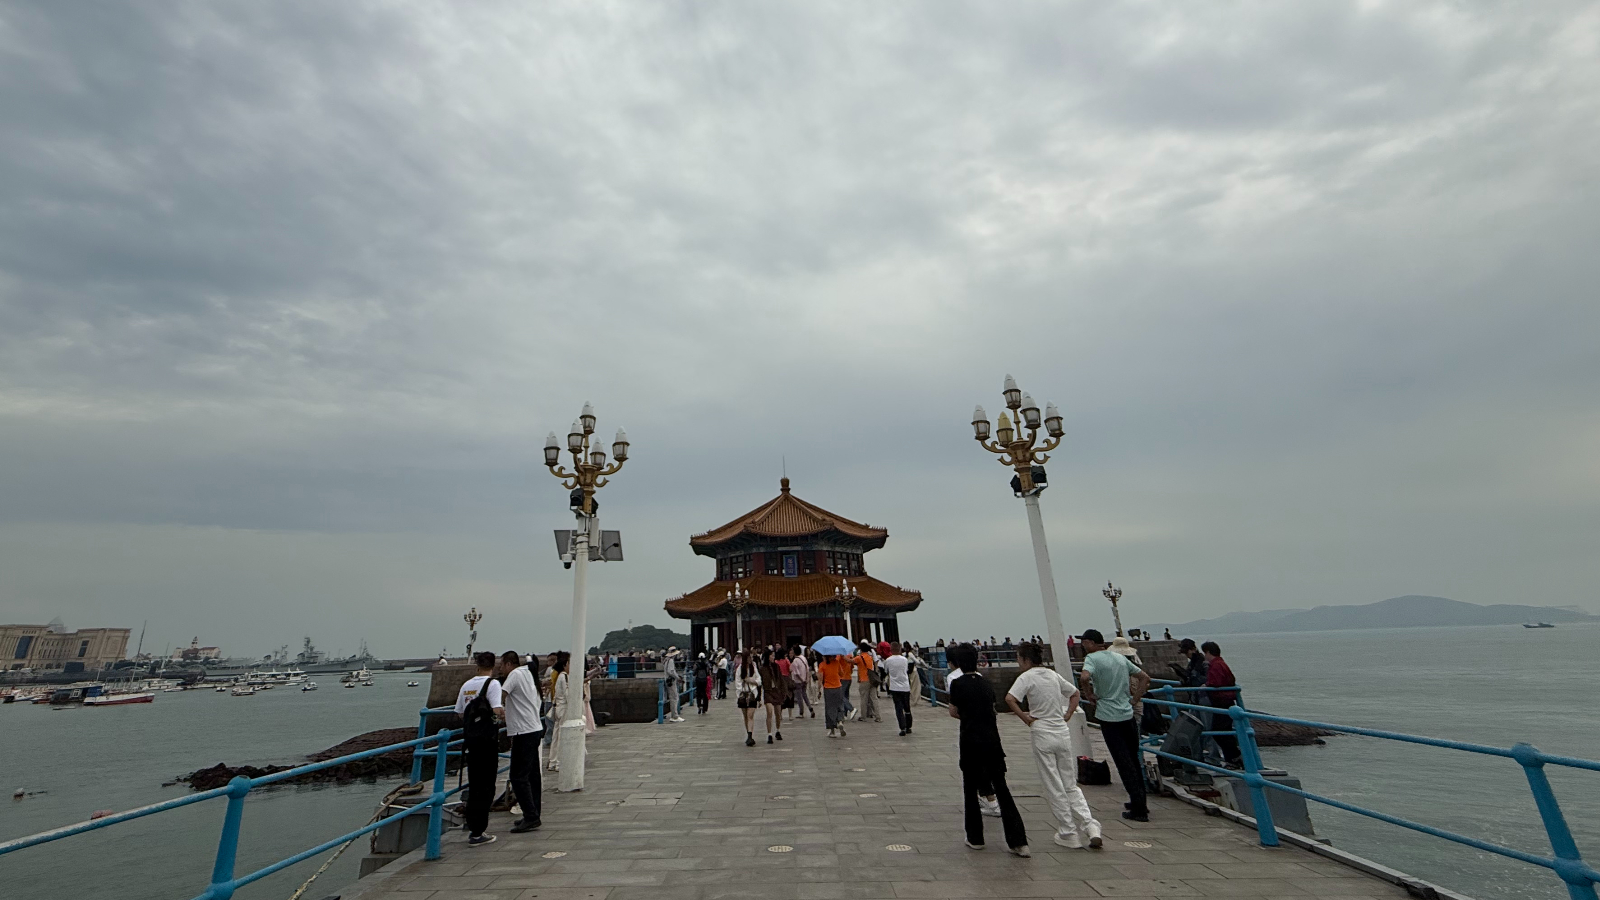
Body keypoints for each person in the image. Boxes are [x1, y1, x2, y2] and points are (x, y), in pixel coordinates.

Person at [1004, 642, 1101, 849]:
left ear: (1026, 659)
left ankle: (1068, 832)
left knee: (1053, 784)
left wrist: (1025, 718)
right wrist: (1067, 714)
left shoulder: (1026, 677)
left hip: (1042, 731)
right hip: (1061, 731)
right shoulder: (1052, 675)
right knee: (1069, 783)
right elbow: (1074, 693)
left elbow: (1010, 699)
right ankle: (1090, 824)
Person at [946, 643, 1029, 857]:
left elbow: (954, 711)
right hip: (992, 740)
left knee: (970, 789)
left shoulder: (957, 684)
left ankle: (975, 837)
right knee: (1002, 788)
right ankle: (1018, 841)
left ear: (957, 664)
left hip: (971, 741)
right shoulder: (986, 683)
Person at [1078, 630, 1151, 822]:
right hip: (1126, 713)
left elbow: (1084, 677)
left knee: (1123, 762)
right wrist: (1135, 699)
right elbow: (1144, 677)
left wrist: (1089, 694)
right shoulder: (1119, 658)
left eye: (1084, 642)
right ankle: (1140, 800)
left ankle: (1139, 809)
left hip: (1109, 716)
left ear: (1091, 643)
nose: (1083, 646)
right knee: (1133, 759)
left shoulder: (1092, 659)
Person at [454, 651, 504, 846]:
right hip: (487, 742)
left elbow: (459, 713)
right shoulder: (493, 684)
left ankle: (472, 825)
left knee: (474, 784)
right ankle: (478, 831)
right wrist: (496, 719)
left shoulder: (466, 685)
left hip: (470, 741)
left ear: (477, 666)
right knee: (487, 786)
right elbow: (497, 710)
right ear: (494, 666)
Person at [498, 651, 543, 833]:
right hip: (533, 728)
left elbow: (501, 695)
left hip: (523, 731)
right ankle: (533, 813)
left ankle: (531, 816)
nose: (500, 669)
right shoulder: (527, 673)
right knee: (533, 776)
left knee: (518, 776)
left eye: (501, 665)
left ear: (509, 663)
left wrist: (497, 709)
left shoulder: (514, 674)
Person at [1202, 641, 1243, 768]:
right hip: (1225, 701)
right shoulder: (1221, 663)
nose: (1204, 656)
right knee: (1223, 731)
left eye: (1205, 653)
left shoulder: (1216, 665)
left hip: (1222, 701)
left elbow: (1216, 682)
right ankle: (1233, 758)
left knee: (1219, 731)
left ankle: (1234, 758)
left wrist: (1207, 685)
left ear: (1208, 652)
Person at [544, 651, 570, 773]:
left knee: (556, 735)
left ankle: (552, 761)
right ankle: (559, 762)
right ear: (565, 665)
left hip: (557, 706)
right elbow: (567, 694)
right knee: (561, 736)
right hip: (563, 708)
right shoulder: (564, 676)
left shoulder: (558, 675)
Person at [759, 650, 790, 744]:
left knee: (778, 712)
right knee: (769, 712)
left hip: (776, 691)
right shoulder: (763, 668)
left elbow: (780, 679)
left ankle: (778, 730)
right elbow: (760, 683)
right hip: (768, 691)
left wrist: (784, 691)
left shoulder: (776, 667)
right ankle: (769, 734)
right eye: (772, 656)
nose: (773, 657)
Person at [883, 641, 914, 735]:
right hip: (905, 686)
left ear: (891, 650)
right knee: (907, 708)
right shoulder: (904, 659)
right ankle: (909, 726)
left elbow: (886, 671)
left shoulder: (888, 660)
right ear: (900, 649)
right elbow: (907, 670)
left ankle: (902, 727)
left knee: (898, 708)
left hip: (894, 686)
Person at [733, 649, 761, 747]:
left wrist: (750, 680)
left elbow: (759, 680)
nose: (751, 659)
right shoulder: (740, 669)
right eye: (749, 657)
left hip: (752, 693)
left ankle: (750, 735)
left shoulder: (754, 667)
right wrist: (740, 693)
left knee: (750, 716)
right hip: (743, 694)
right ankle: (748, 734)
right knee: (745, 716)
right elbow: (738, 684)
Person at [818, 652, 850, 737]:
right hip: (838, 687)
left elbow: (820, 679)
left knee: (830, 708)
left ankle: (832, 730)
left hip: (828, 688)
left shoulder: (822, 665)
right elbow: (842, 674)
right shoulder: (836, 663)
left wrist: (819, 690)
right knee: (839, 705)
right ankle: (840, 721)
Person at [854, 643, 879, 722]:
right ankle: (878, 716)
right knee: (874, 698)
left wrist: (843, 656)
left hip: (864, 679)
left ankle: (863, 716)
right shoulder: (870, 657)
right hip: (872, 680)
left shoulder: (859, 657)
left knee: (864, 699)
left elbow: (850, 661)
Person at [789, 647, 814, 719]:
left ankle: (801, 712)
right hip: (805, 679)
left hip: (798, 681)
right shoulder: (803, 658)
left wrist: (801, 679)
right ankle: (810, 708)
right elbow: (807, 668)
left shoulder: (795, 661)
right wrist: (806, 678)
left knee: (799, 697)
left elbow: (796, 673)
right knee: (804, 695)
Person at [662, 647, 685, 723]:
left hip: (667, 680)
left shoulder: (666, 660)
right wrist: (677, 677)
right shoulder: (671, 660)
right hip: (671, 681)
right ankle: (674, 716)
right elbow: (671, 671)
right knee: (674, 697)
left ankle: (674, 715)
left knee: (672, 697)